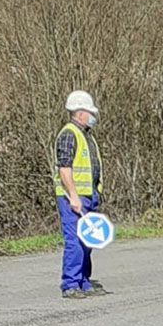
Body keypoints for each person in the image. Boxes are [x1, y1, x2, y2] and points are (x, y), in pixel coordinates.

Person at [53, 90, 106, 299]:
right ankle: (70, 284)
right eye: (89, 112)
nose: (92, 116)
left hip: (89, 196)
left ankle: (83, 281)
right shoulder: (69, 134)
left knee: (87, 241)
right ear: (79, 112)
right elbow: (64, 168)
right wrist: (73, 196)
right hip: (73, 198)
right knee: (74, 241)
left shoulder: (86, 135)